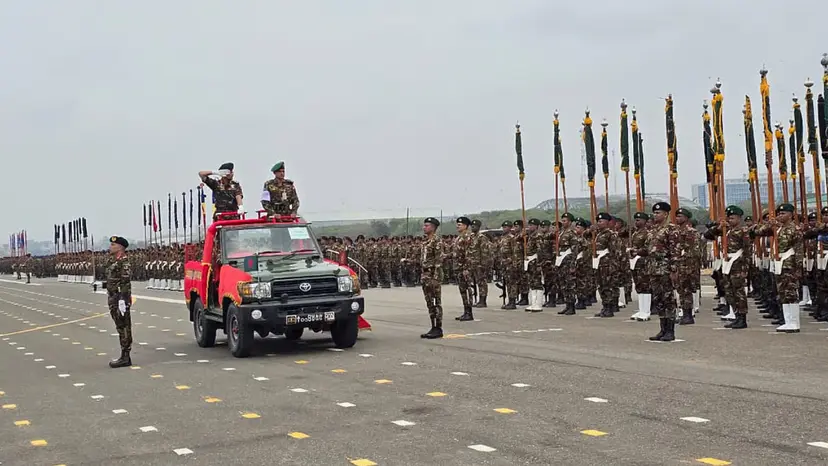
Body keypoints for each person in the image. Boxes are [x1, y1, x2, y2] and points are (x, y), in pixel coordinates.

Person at [106, 236, 133, 368]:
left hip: (120, 298)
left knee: (124, 326)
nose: (110, 247)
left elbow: (125, 282)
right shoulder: (113, 261)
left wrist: (123, 299)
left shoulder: (124, 262)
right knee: (119, 326)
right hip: (113, 297)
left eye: (113, 245)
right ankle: (124, 355)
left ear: (120, 247)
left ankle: (125, 356)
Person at [420, 217, 444, 339]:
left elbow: (439, 260)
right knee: (430, 302)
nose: (424, 227)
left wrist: (435, 278)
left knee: (436, 302)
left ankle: (438, 328)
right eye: (424, 225)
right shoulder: (425, 242)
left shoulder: (436, 241)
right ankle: (433, 326)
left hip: (432, 275)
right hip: (425, 276)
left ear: (433, 228)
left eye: (427, 226)